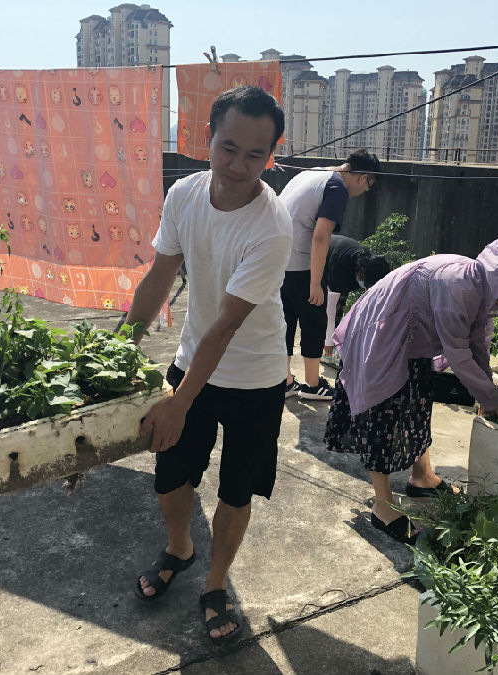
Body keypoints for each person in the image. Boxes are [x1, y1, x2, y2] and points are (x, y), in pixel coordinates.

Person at [126, 86, 291, 645]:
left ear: (271, 155)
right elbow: (159, 277)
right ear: (207, 139)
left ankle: (215, 582)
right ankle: (180, 548)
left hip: (255, 377)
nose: (238, 165)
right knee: (170, 474)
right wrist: (118, 353)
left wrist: (180, 402)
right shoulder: (184, 194)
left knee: (236, 490)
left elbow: (225, 326)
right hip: (190, 360)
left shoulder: (272, 226)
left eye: (255, 154)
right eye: (228, 148)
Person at [325, 236, 498, 543]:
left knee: (417, 403)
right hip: (382, 332)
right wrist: (494, 399)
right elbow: (458, 352)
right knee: (383, 412)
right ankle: (383, 504)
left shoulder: (482, 289)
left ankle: (423, 477)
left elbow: (478, 345)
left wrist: (488, 393)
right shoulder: (458, 283)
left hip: (411, 337)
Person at [278, 150, 381, 401]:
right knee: (314, 321)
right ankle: (313, 385)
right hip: (301, 264)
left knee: (285, 322)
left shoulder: (314, 173)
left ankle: (285, 381)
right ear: (363, 178)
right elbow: (321, 236)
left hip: (277, 260)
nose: (364, 191)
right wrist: (315, 282)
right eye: (369, 186)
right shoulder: (337, 188)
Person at [320, 234, 391, 367]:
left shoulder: (372, 266)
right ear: (360, 273)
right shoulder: (340, 271)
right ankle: (324, 347)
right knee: (322, 308)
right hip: (319, 258)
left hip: (340, 264)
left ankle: (332, 345)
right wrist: (328, 340)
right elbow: (330, 308)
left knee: (339, 308)